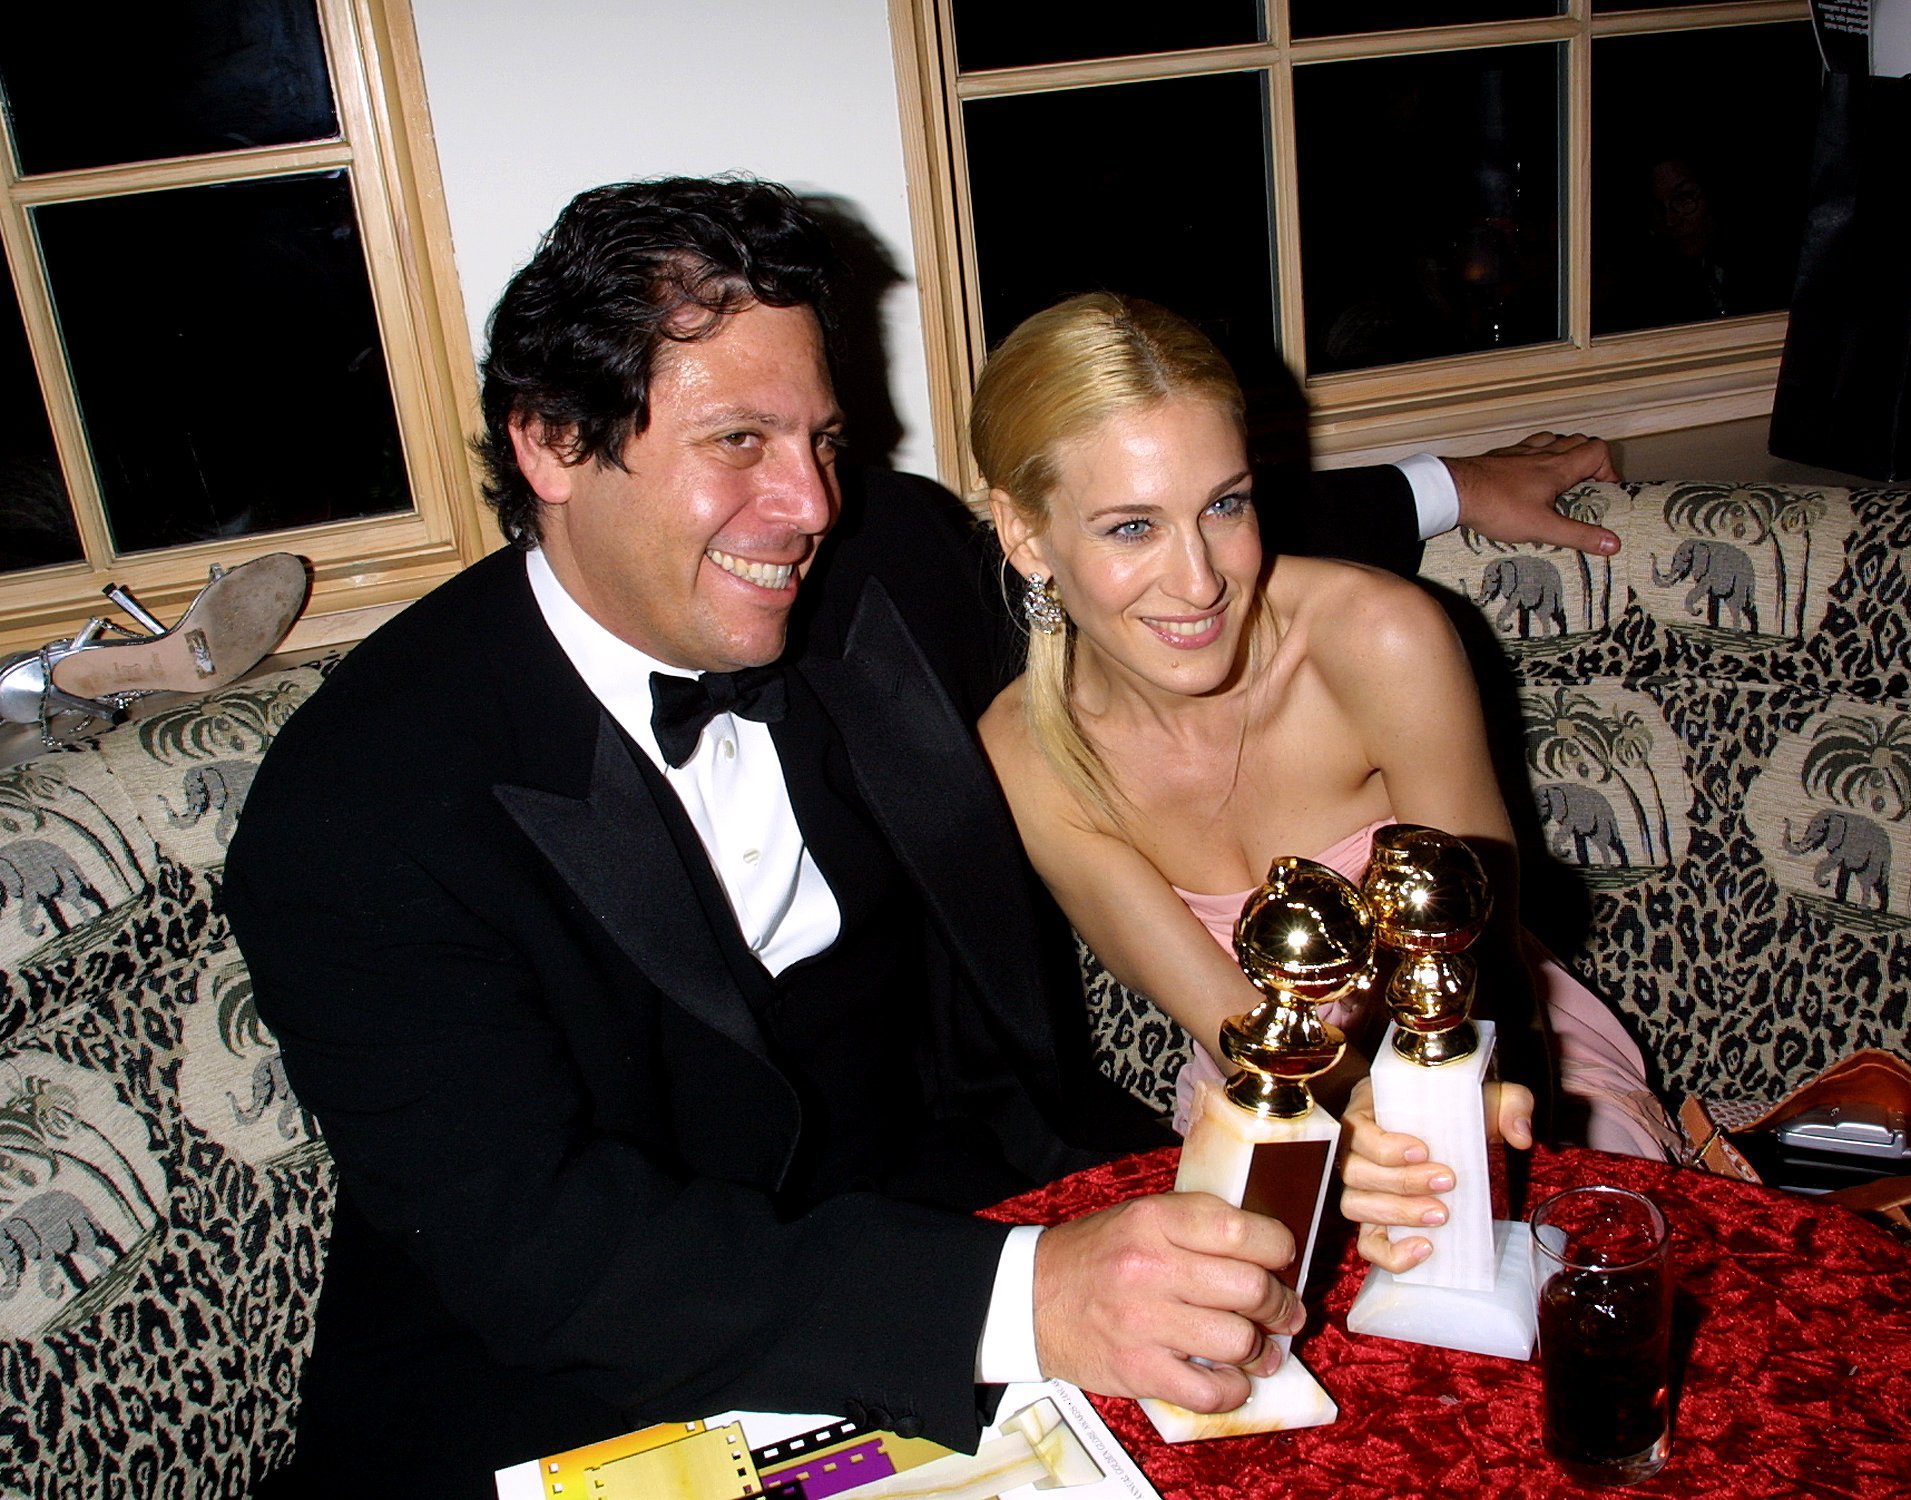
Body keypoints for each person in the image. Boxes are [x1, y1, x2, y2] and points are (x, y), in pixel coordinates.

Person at [225, 177, 1626, 1493]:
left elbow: (1140, 547)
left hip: (971, 1197)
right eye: (737, 445)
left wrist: (1444, 484)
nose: (809, 507)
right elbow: (537, 1250)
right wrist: (1032, 1300)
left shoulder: (879, 561)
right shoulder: (358, 805)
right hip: (570, 1373)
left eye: (822, 440)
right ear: (552, 440)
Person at [969, 293, 1681, 1276]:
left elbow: (1493, 983)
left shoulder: (1377, 640)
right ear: (1026, 535)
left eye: (1225, 505)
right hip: (1271, 1093)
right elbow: (1228, 1020)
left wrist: (1447, 1140)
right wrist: (1365, 1139)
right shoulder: (1030, 751)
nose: (1201, 580)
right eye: (1133, 527)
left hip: (1497, 1063)